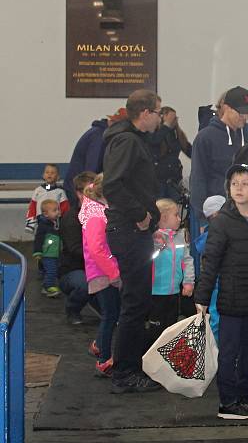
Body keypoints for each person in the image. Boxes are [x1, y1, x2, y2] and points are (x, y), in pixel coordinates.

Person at [194, 164, 248, 421]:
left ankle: (244, 397)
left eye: (245, 183)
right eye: (234, 183)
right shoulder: (222, 222)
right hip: (230, 301)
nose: (239, 188)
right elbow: (210, 262)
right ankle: (228, 402)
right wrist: (202, 297)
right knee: (230, 353)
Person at [102, 88, 163, 394]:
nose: (161, 118)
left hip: (132, 230)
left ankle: (127, 367)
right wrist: (140, 213)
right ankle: (125, 373)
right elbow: (112, 185)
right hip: (129, 230)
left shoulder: (129, 139)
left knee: (136, 303)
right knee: (135, 304)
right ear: (145, 113)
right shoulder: (127, 141)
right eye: (158, 112)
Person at [190, 86, 248, 231]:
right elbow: (198, 178)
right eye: (241, 112)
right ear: (226, 108)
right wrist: (203, 218)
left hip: (247, 213)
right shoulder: (205, 137)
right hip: (217, 216)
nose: (245, 117)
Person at [79, 173, 121, 378]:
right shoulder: (97, 215)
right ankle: (104, 360)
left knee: (110, 314)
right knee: (110, 315)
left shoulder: (96, 211)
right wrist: (114, 273)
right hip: (103, 272)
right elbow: (97, 249)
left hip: (101, 270)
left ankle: (99, 345)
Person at [148, 198, 195, 342]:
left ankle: (165, 360)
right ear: (164, 217)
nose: (179, 218)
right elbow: (148, 260)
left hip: (174, 292)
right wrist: (158, 246)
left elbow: (187, 260)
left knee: (171, 327)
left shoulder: (181, 236)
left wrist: (188, 282)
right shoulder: (152, 238)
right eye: (176, 215)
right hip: (155, 292)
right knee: (156, 329)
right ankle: (149, 358)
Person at [63, 109, 126, 205]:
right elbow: (91, 171)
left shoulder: (98, 133)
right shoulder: (99, 137)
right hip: (80, 189)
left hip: (78, 187)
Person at [59, 171, 97, 324]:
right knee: (84, 284)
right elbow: (75, 249)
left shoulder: (100, 213)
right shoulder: (71, 218)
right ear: (79, 194)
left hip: (94, 266)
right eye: (91, 192)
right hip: (73, 270)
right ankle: (72, 308)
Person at [194, 195, 227, 342]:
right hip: (218, 286)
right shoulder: (214, 238)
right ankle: (216, 352)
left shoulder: (207, 237)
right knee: (217, 320)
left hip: (217, 286)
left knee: (217, 320)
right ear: (216, 215)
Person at [149, 106, 192, 202]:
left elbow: (191, 151)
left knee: (174, 207)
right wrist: (166, 125)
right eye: (170, 118)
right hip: (158, 181)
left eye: (174, 118)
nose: (173, 121)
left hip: (174, 180)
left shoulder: (178, 135)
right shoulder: (154, 134)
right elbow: (154, 142)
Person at [25, 163, 69, 233]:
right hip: (40, 220)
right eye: (47, 172)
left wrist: (64, 222)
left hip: (55, 222)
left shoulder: (60, 192)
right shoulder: (38, 190)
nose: (49, 174)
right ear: (43, 175)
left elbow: (65, 208)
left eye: (52, 173)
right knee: (40, 238)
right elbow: (32, 207)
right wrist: (31, 222)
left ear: (58, 177)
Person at [35, 199, 63, 298]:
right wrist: (37, 252)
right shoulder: (43, 226)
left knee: (54, 270)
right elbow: (38, 239)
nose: (58, 212)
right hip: (47, 254)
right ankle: (49, 286)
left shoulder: (56, 223)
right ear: (45, 214)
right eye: (55, 210)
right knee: (51, 270)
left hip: (55, 253)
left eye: (58, 210)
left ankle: (45, 286)